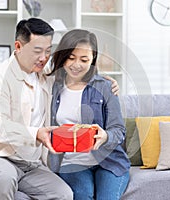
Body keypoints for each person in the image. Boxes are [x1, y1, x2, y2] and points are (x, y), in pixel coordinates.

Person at [0, 18, 119, 200]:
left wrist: (102, 81)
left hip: (32, 163)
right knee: (4, 179)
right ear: (18, 46)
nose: (44, 57)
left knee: (64, 194)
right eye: (37, 51)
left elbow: (75, 74)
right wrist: (36, 133)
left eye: (48, 51)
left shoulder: (47, 76)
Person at [48, 29, 130, 200]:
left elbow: (119, 130)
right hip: (71, 163)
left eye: (84, 59)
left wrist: (106, 135)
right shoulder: (52, 86)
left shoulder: (105, 87)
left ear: (93, 59)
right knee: (82, 195)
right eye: (71, 57)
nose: (76, 64)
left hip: (109, 162)